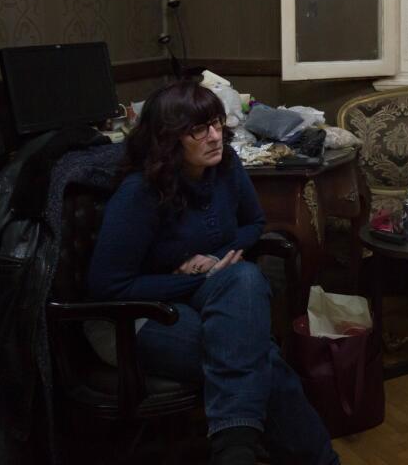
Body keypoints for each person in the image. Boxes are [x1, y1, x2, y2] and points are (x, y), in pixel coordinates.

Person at [88, 80, 338, 465]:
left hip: (196, 295)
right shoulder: (140, 193)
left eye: (218, 124)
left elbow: (253, 223)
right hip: (133, 314)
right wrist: (190, 277)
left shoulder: (225, 167)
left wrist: (213, 258)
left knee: (243, 278)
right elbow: (108, 286)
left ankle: (234, 450)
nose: (215, 137)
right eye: (198, 130)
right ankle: (268, 454)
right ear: (168, 140)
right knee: (259, 358)